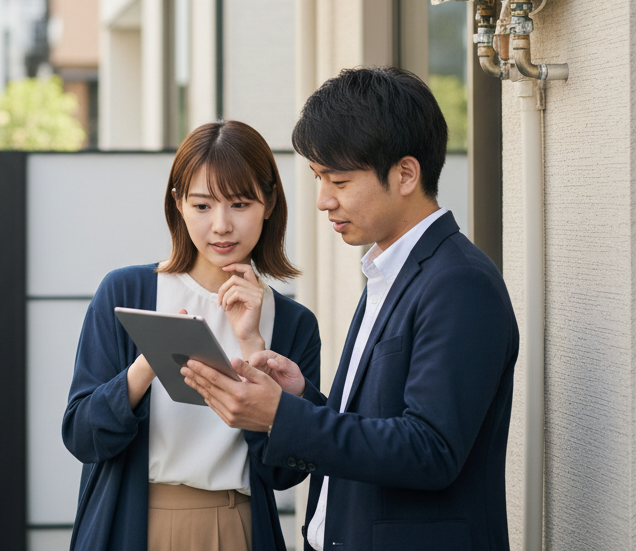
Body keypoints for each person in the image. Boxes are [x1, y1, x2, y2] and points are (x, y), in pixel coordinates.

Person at [181, 67, 520, 551]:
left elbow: (431, 450)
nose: (322, 201)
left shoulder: (460, 283)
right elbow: (381, 429)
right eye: (319, 179)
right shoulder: (392, 271)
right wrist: (303, 401)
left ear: (405, 174)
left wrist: (282, 416)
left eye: (338, 180)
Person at [62, 120, 321, 551]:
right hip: (133, 524)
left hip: (235, 527)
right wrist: (148, 363)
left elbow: (287, 472)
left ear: (270, 202)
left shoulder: (292, 323)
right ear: (178, 204)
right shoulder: (128, 293)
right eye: (202, 206)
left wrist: (252, 344)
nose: (221, 225)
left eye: (239, 204)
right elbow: (81, 435)